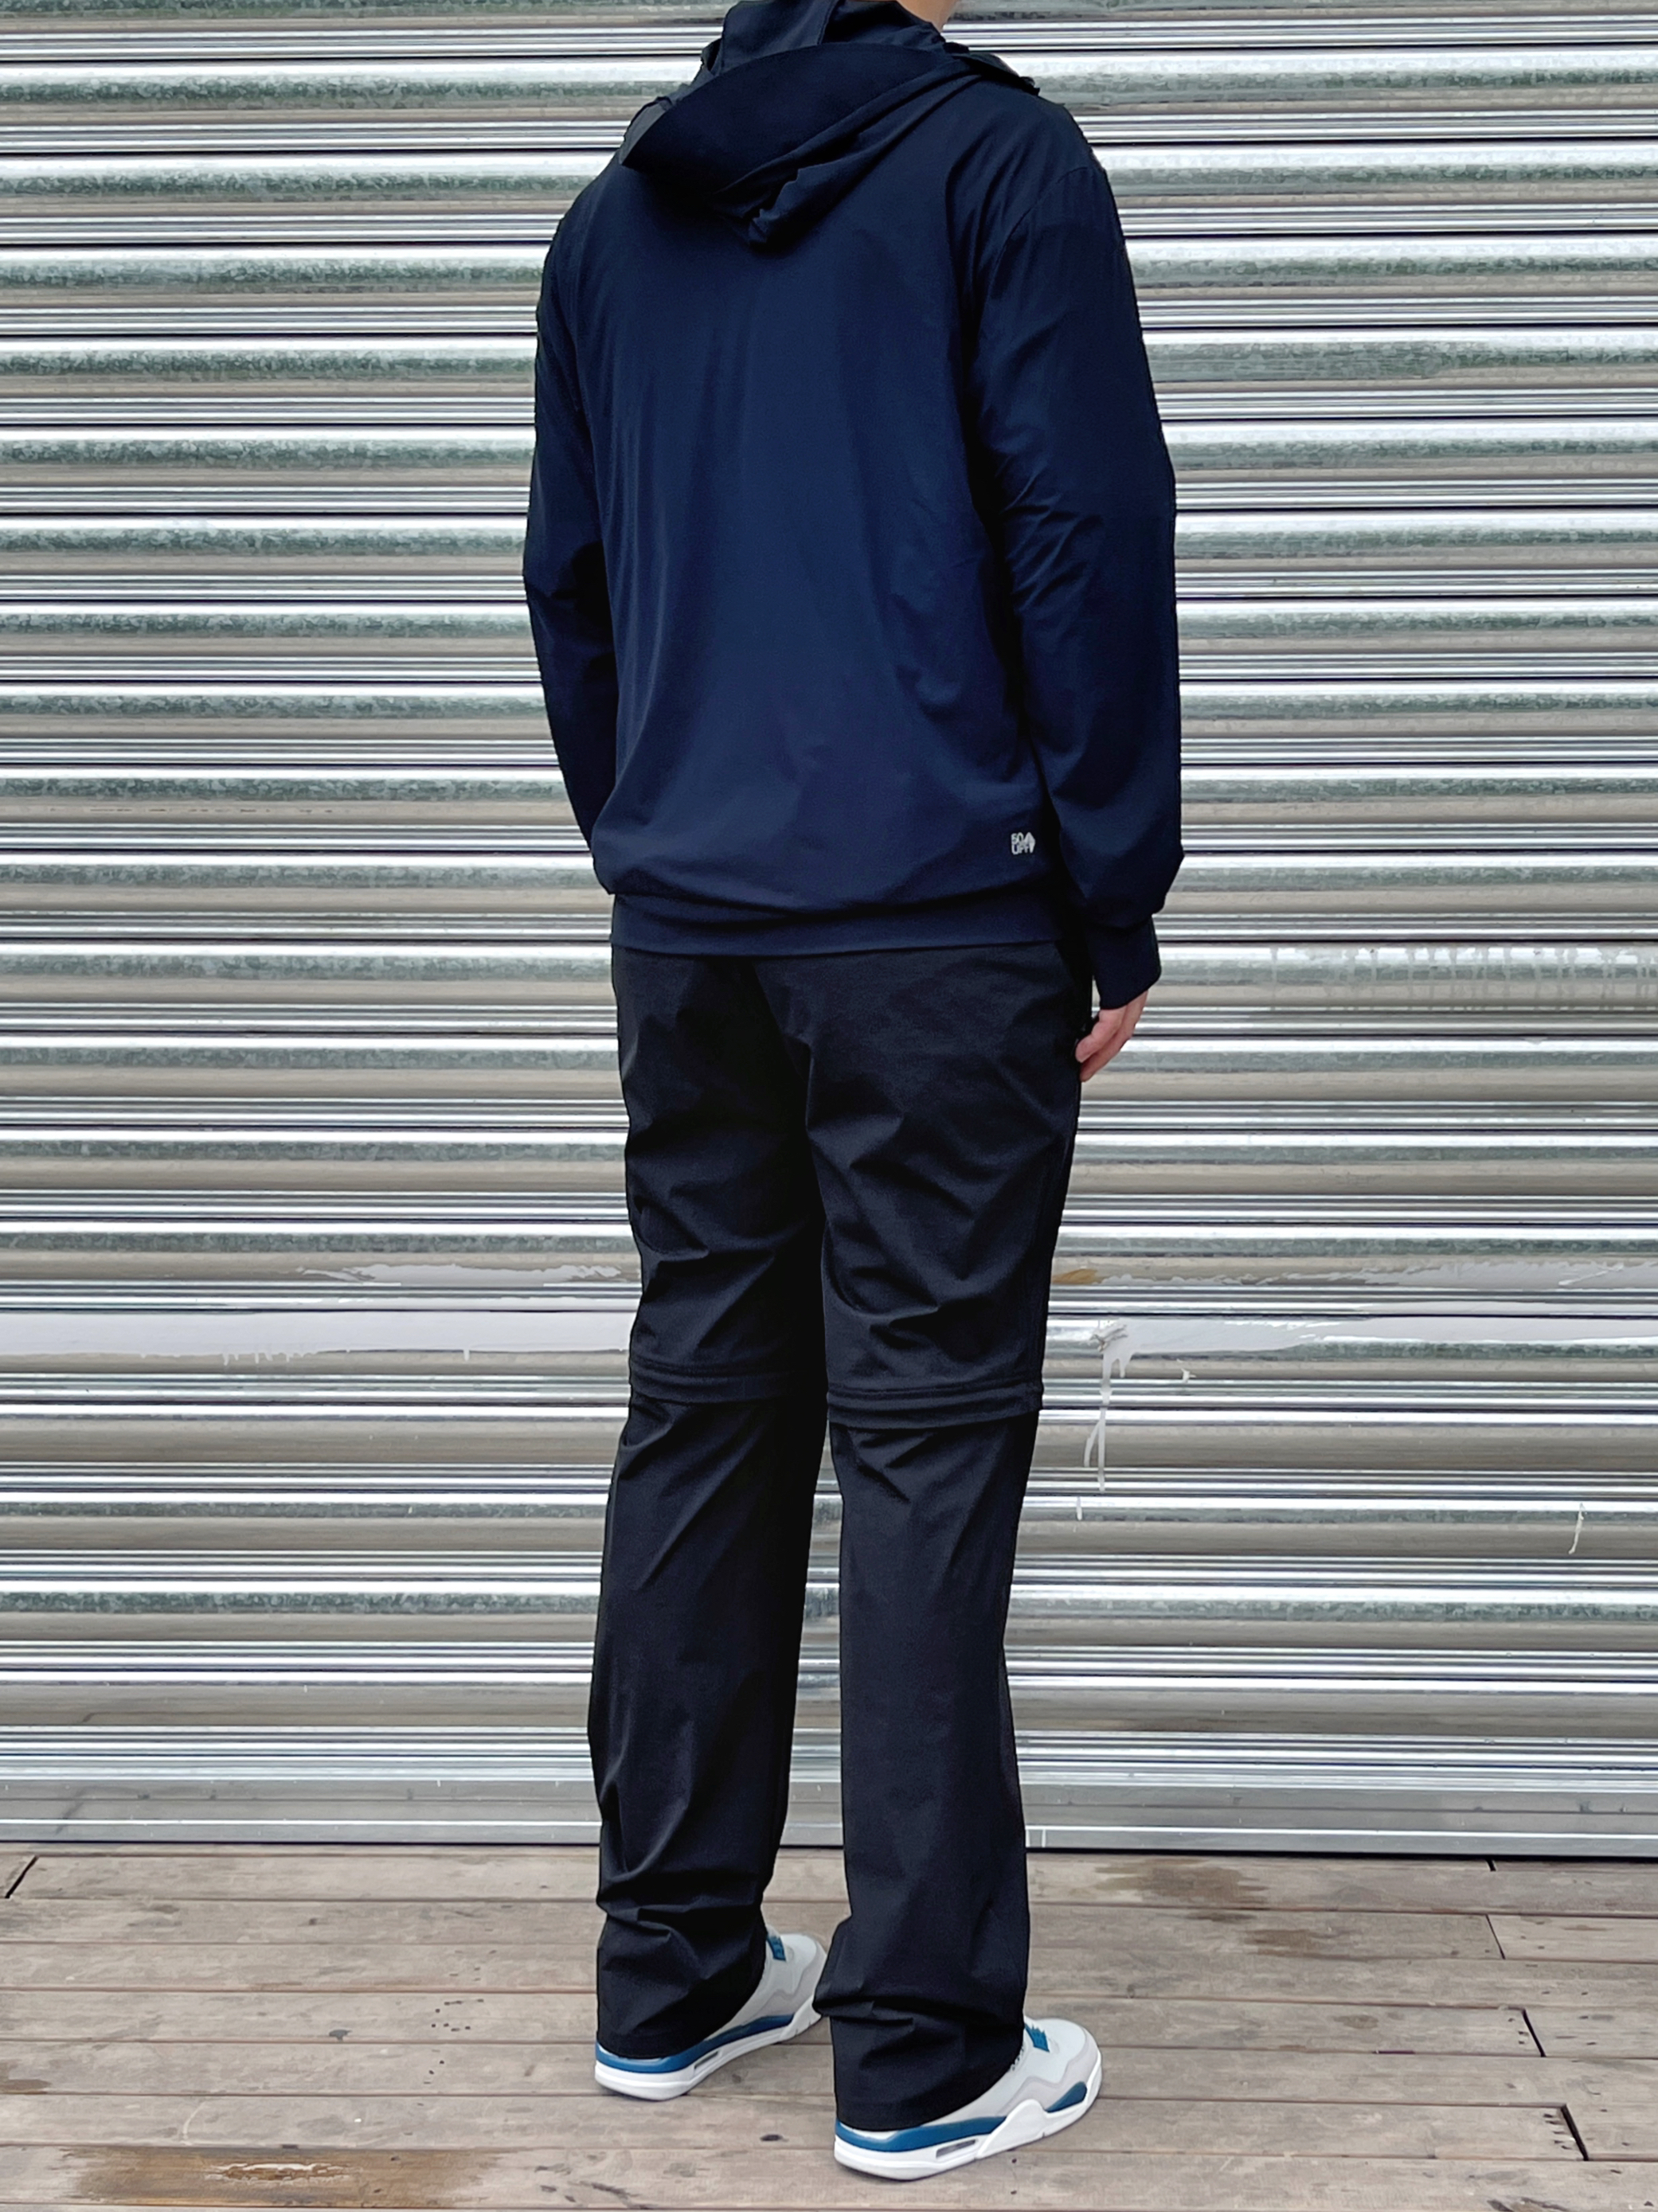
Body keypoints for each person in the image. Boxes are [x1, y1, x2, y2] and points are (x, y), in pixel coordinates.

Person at [523, 0, 1180, 2177]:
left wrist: (658, 837)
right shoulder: (1001, 167)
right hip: (933, 921)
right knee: (922, 1449)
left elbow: (571, 581)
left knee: (708, 1410)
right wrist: (1109, 888)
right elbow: (1083, 532)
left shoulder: (614, 219)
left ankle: (672, 1975)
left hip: (693, 920)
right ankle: (920, 2051)